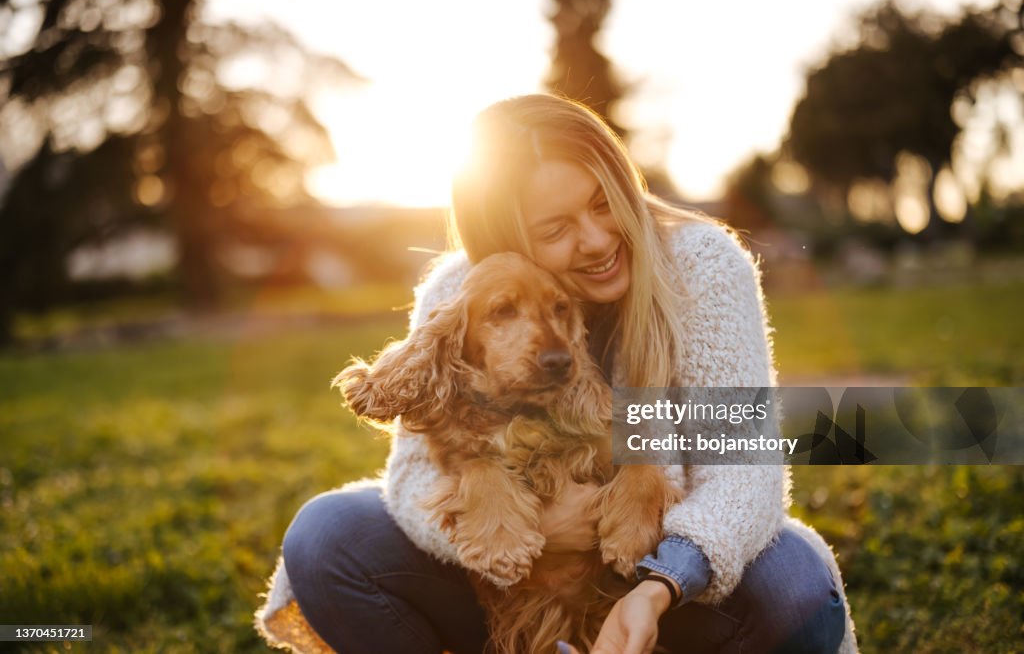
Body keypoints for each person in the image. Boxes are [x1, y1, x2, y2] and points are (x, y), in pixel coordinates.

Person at [256, 94, 856, 654]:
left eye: (603, 203)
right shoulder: (462, 286)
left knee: (794, 582)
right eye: (555, 229)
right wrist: (535, 531)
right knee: (326, 535)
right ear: (508, 236)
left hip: (661, 586)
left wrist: (660, 582)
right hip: (505, 586)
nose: (596, 241)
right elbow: (413, 482)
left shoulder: (702, 266)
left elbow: (743, 470)